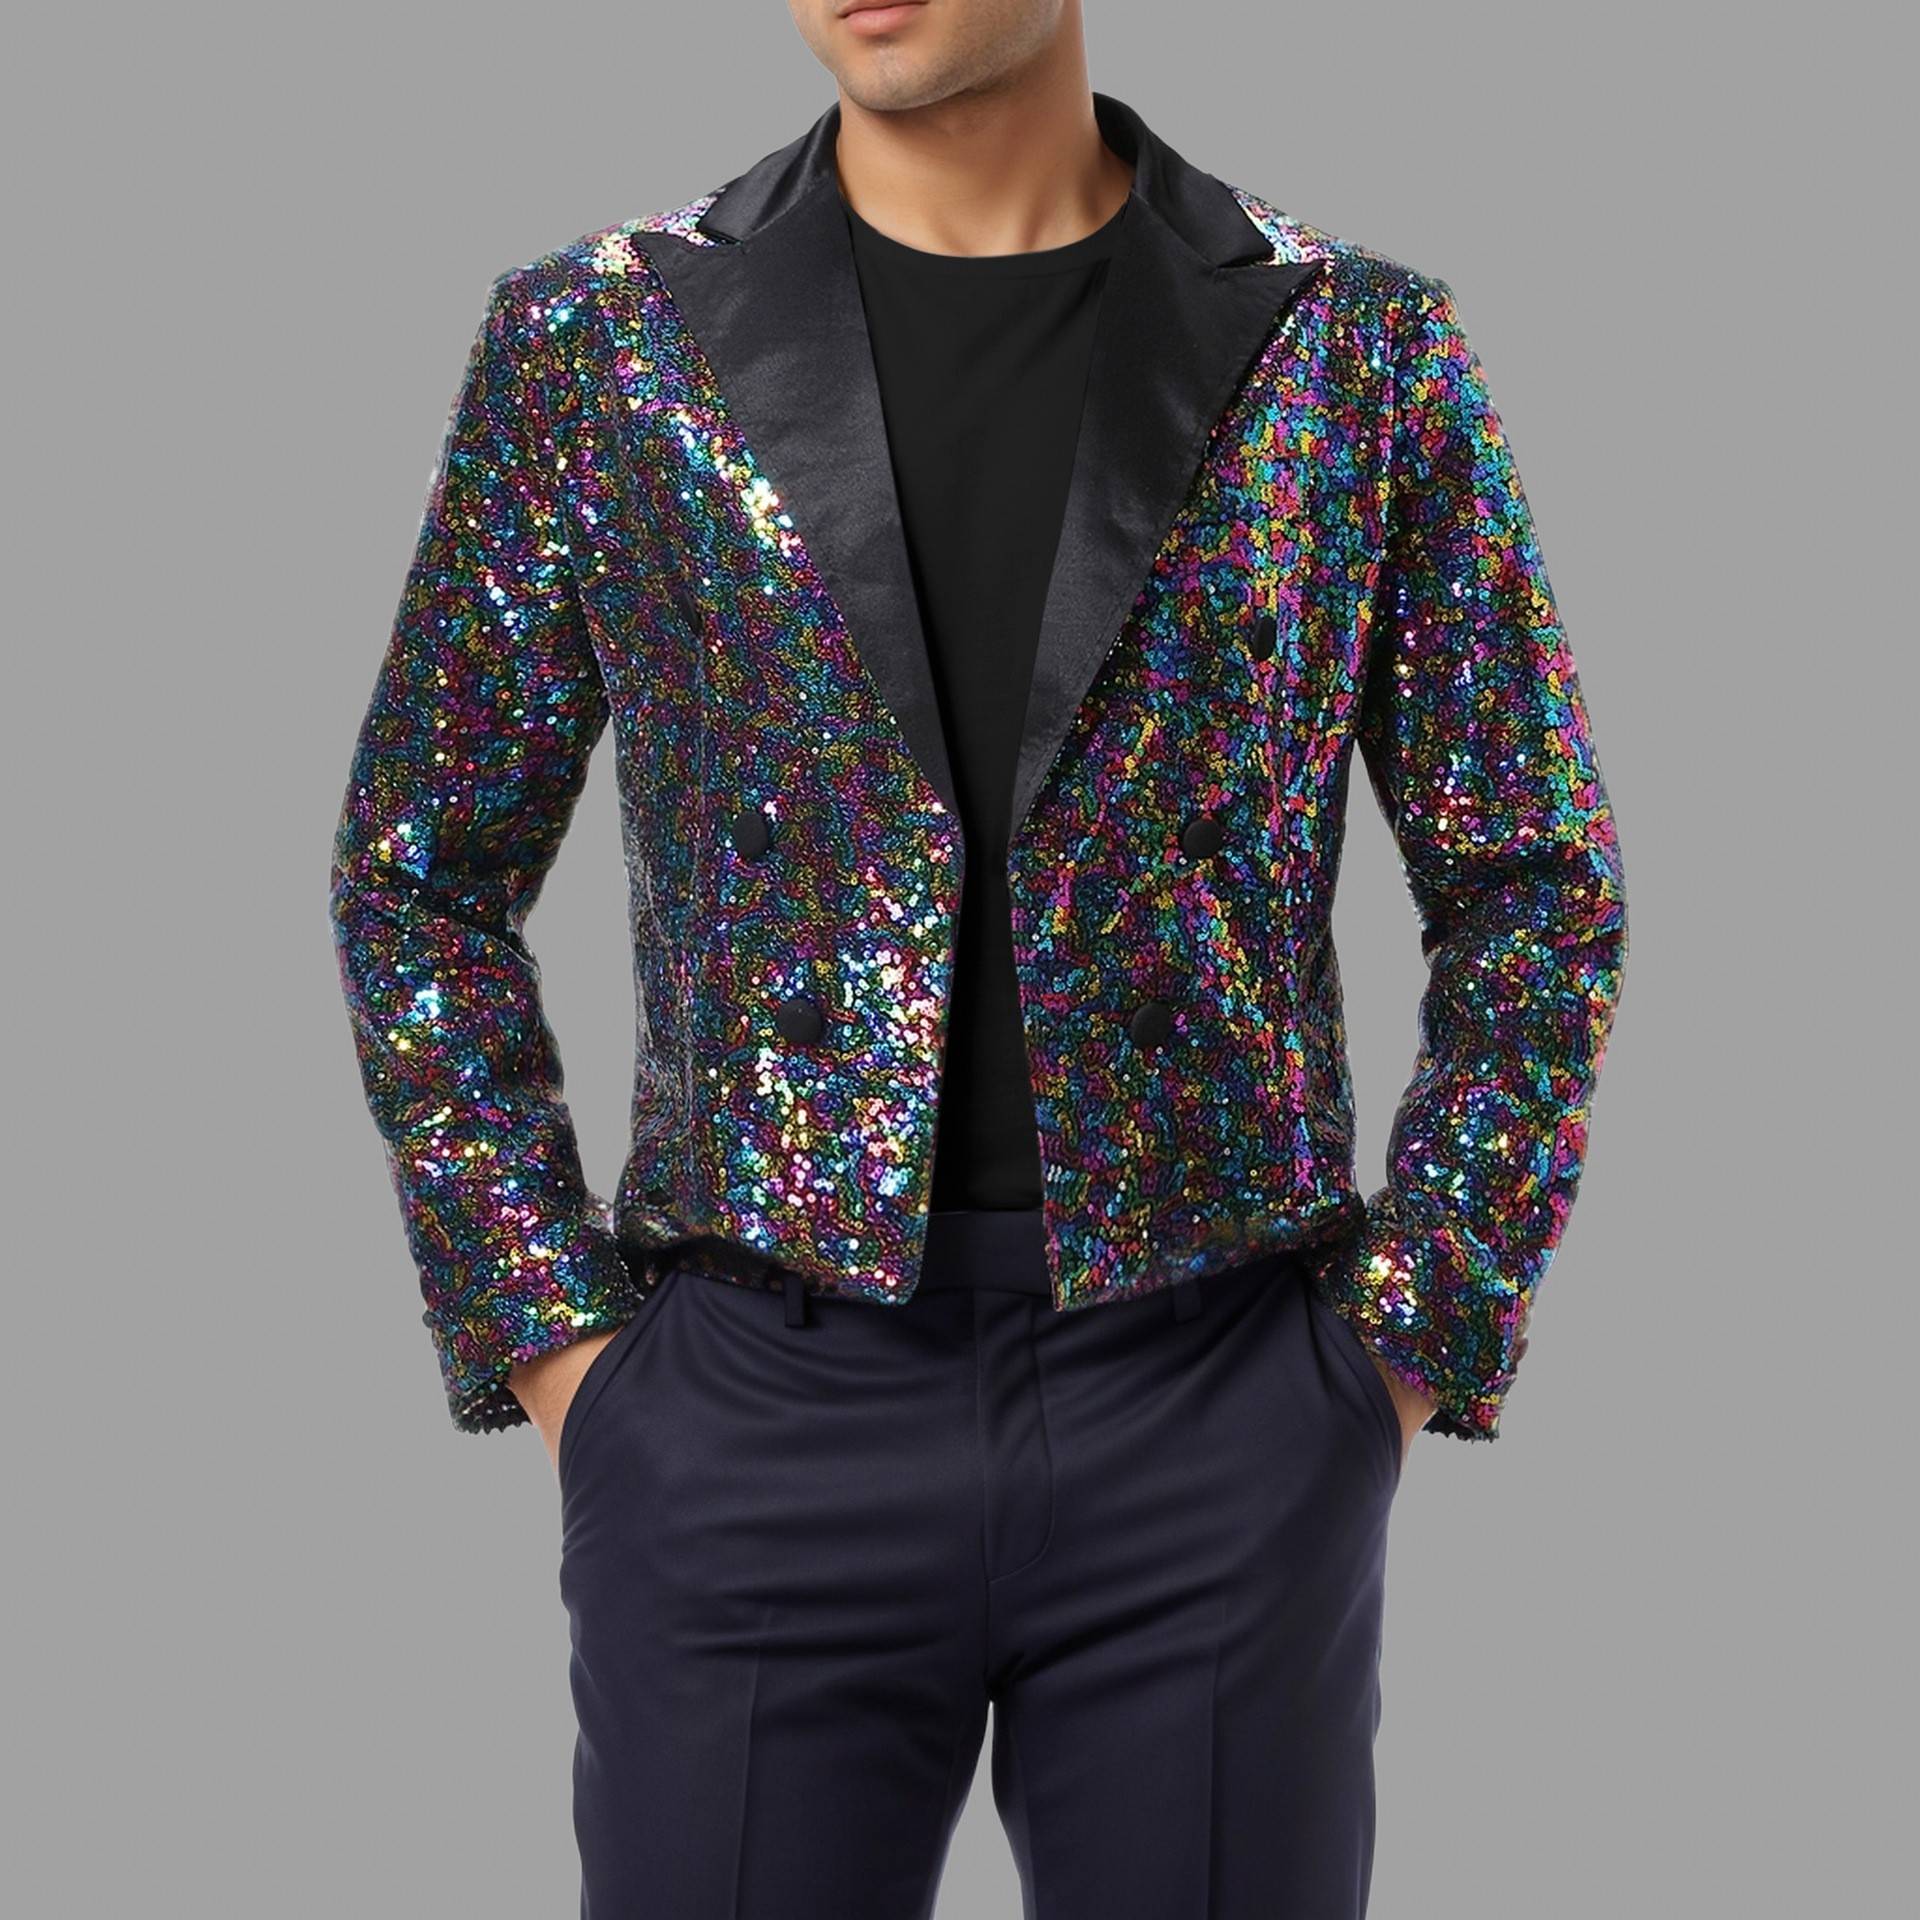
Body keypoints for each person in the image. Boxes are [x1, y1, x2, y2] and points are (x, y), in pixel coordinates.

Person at [327, 3, 1628, 1913]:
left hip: (1218, 1407)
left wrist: (1405, 1344)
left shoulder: (1357, 345)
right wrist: (557, 1348)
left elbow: (1535, 880)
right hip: (746, 1415)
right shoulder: (596, 342)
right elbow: (421, 875)